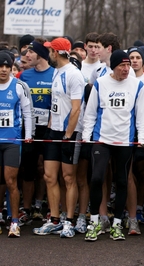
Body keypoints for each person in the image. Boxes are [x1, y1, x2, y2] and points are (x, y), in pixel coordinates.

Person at [82, 50, 144, 241]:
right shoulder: (101, 83)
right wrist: (87, 138)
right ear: (114, 66)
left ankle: (117, 224)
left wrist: (141, 140)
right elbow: (91, 112)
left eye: (129, 65)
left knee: (121, 181)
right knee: (96, 178)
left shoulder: (137, 84)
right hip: (102, 139)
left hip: (124, 140)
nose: (126, 69)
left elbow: (141, 115)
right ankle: (94, 222)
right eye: (122, 65)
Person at [32, 37, 85, 238]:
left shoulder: (74, 75)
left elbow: (76, 109)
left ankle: (69, 221)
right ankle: (55, 219)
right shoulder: (56, 72)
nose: (48, 54)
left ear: (57, 52)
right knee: (49, 176)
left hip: (69, 132)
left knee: (69, 177)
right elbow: (56, 103)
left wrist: (68, 135)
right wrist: (49, 127)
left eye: (50, 51)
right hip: (53, 131)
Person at [19, 39, 55, 222]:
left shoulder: (55, 74)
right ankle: (26, 208)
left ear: (40, 54)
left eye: (30, 53)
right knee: (28, 168)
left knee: (46, 170)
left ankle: (41, 205)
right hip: (29, 128)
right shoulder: (24, 76)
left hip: (48, 128)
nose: (26, 56)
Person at [0, 52, 32, 237]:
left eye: (7, 66)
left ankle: (14, 221)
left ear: (12, 67)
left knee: (10, 180)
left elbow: (28, 113)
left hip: (12, 141)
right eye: (0, 66)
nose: (3, 70)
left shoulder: (19, 86)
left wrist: (27, 136)